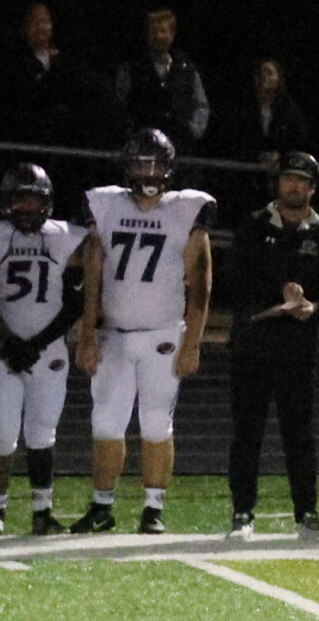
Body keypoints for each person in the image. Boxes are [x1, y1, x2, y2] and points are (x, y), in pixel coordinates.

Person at [71, 129, 214, 534]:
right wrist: (87, 333)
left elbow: (201, 280)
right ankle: (102, 506)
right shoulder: (106, 204)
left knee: (155, 423)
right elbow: (92, 272)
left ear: (169, 168)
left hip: (163, 334)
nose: (149, 173)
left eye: (156, 165)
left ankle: (153, 509)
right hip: (114, 333)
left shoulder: (186, 208)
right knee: (105, 423)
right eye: (141, 164)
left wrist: (193, 341)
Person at [222, 152, 319, 539]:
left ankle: (307, 515)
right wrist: (275, 297)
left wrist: (314, 308)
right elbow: (232, 280)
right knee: (247, 433)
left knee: (299, 435)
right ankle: (242, 513)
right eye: (288, 178)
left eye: (302, 181)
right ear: (277, 182)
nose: (294, 186)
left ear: (312, 188)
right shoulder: (253, 227)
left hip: (297, 350)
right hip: (252, 347)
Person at [0, 163, 83, 536]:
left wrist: (39, 341)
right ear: (7, 202)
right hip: (2, 349)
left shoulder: (64, 236)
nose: (27, 208)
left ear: (47, 202)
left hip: (48, 349)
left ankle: (42, 513)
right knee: (3, 433)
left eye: (34, 200)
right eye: (20, 200)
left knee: (42, 432)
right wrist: (10, 341)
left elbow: (81, 293)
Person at [0, 1, 91, 146]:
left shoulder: (65, 62)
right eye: (34, 22)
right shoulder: (14, 63)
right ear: (25, 28)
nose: (40, 27)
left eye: (45, 21)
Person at [112, 7, 209, 148]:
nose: (158, 36)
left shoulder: (187, 69)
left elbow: (200, 106)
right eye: (153, 31)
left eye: (163, 31)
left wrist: (191, 132)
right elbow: (118, 105)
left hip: (179, 148)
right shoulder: (131, 69)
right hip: (142, 147)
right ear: (146, 35)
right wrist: (129, 133)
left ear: (172, 34)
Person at [227, 57, 313, 171]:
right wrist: (258, 155)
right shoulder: (246, 106)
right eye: (261, 73)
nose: (265, 77)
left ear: (278, 79)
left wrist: (280, 156)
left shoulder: (288, 108)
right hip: (249, 167)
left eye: (270, 73)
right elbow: (238, 138)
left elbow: (299, 140)